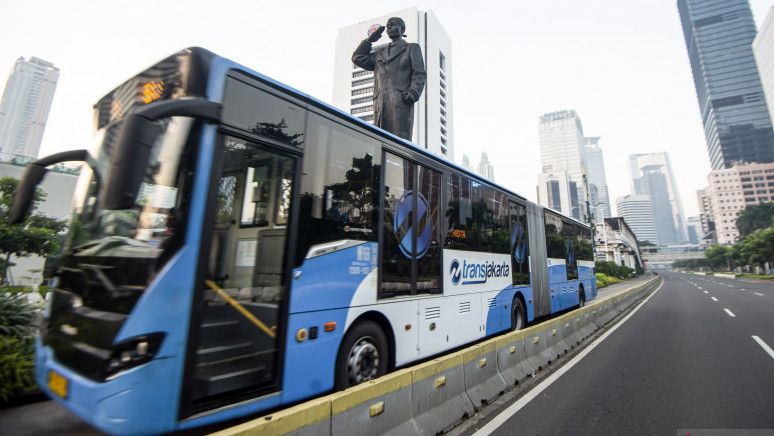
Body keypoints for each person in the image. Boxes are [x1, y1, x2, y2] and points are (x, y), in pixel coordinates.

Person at [352, 17, 426, 140]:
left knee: (399, 142)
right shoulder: (379, 53)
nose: (389, 27)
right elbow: (357, 58)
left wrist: (413, 91)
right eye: (387, 26)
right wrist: (369, 41)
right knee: (380, 142)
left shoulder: (412, 48)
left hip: (401, 100)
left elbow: (419, 73)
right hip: (380, 102)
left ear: (402, 29)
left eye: (393, 24)